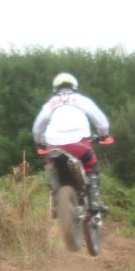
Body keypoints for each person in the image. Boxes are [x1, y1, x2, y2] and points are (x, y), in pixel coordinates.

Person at [32, 72, 111, 214]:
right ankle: (94, 200)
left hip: (54, 145)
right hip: (79, 143)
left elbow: (37, 128)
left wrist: (39, 143)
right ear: (74, 86)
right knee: (90, 162)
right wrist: (103, 135)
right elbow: (101, 121)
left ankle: (56, 203)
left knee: (52, 167)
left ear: (55, 88)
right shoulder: (81, 100)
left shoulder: (50, 104)